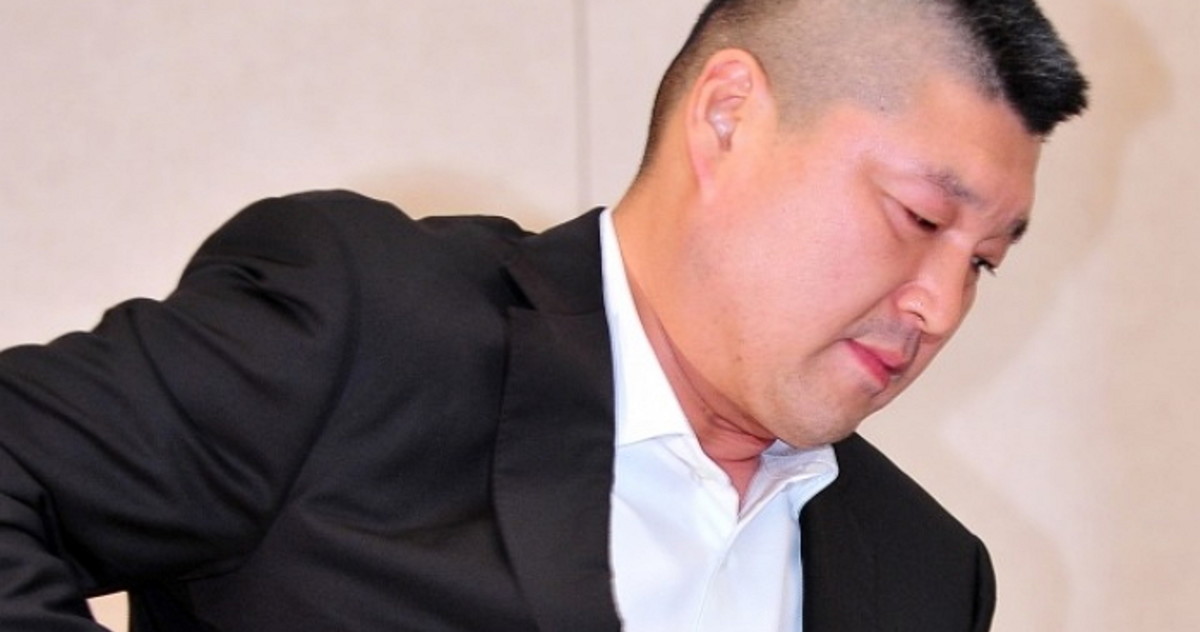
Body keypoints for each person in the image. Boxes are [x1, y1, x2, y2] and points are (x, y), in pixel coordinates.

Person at [0, 0, 1087, 630]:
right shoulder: (366, 322)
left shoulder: (926, 573)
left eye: (984, 263)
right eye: (918, 218)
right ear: (729, 118)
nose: (940, 305)